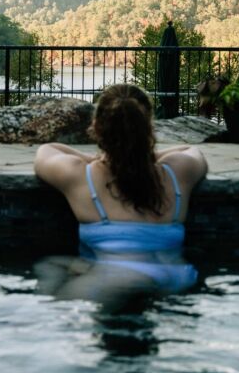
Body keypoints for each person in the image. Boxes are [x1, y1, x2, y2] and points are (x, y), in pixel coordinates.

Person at [34, 84, 208, 302]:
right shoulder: (178, 172)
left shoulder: (79, 175)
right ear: (149, 128)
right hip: (176, 277)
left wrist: (102, 158)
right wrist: (141, 155)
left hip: (113, 280)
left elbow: (46, 150)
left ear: (96, 128)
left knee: (49, 267)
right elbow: (192, 151)